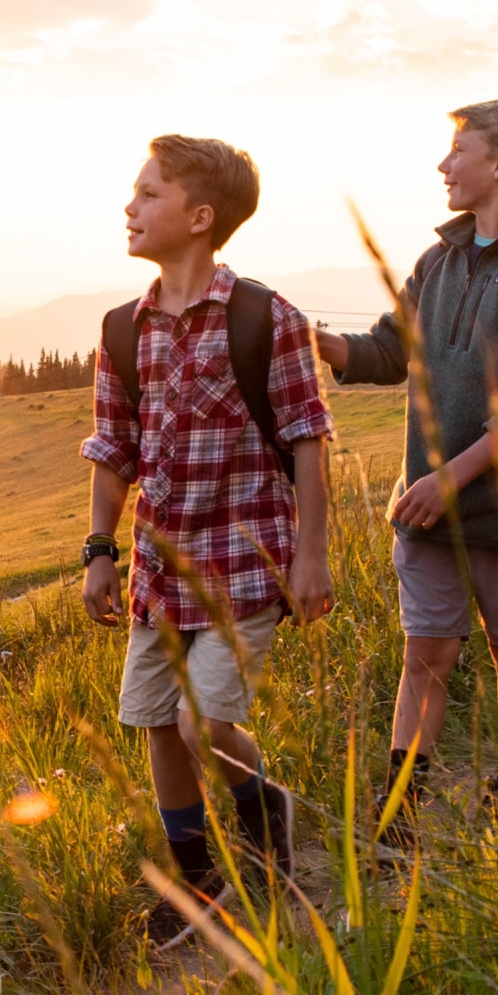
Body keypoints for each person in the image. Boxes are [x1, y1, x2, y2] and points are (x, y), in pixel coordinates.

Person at [316, 98, 498, 846]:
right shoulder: (436, 261)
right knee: (426, 656)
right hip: (429, 514)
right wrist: (308, 338)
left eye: (457, 149)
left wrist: (446, 481)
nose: (444, 164)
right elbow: (384, 352)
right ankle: (400, 819)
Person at [82, 134, 336, 948]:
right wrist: (98, 550)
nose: (130, 205)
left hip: (246, 562)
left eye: (148, 193)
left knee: (201, 724)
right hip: (157, 567)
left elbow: (306, 437)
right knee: (159, 721)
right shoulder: (124, 328)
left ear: (199, 217)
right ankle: (198, 883)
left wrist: (312, 554)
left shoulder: (267, 318)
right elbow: (112, 448)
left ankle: (267, 813)